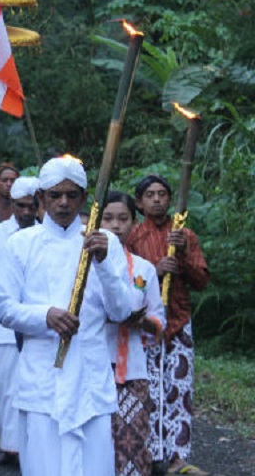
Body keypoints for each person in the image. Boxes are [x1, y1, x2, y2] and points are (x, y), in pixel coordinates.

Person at [0, 156, 132, 476]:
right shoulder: (21, 244)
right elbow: (4, 308)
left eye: (72, 195)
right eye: (55, 195)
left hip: (90, 376)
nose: (63, 203)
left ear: (84, 198)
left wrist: (103, 264)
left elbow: (122, 310)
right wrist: (46, 316)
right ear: (40, 198)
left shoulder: (104, 242)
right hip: (43, 377)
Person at [127, 175, 209, 476]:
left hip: (178, 320)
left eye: (162, 194)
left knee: (179, 388)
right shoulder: (133, 237)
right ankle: (148, 456)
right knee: (148, 389)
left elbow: (201, 280)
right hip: (146, 324)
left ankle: (177, 458)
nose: (157, 199)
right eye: (150, 194)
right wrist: (156, 270)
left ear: (170, 199)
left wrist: (182, 257)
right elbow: (130, 280)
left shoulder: (183, 235)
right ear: (140, 202)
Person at [101, 190, 166, 476]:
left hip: (133, 371)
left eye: (123, 218)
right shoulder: (83, 267)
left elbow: (158, 320)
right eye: (108, 219)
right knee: (98, 444)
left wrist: (141, 322)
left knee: (133, 443)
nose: (115, 226)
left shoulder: (144, 269)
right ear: (96, 222)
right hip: (94, 367)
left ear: (133, 222)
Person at [0, 176, 40, 467]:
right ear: (12, 205)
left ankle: (31, 447)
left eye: (32, 206)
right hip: (4, 322)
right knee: (4, 387)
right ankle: (9, 445)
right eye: (21, 206)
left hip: (39, 323)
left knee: (34, 385)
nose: (27, 212)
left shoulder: (46, 235)